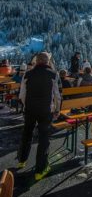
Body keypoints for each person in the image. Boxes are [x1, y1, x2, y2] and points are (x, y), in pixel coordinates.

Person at [17, 52, 61, 180]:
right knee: (44, 138)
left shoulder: (28, 74)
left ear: (36, 61)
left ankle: (22, 160)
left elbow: (21, 95)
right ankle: (40, 170)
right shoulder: (53, 74)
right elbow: (57, 95)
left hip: (30, 109)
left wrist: (26, 106)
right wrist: (57, 109)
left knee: (27, 133)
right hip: (45, 110)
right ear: (47, 62)